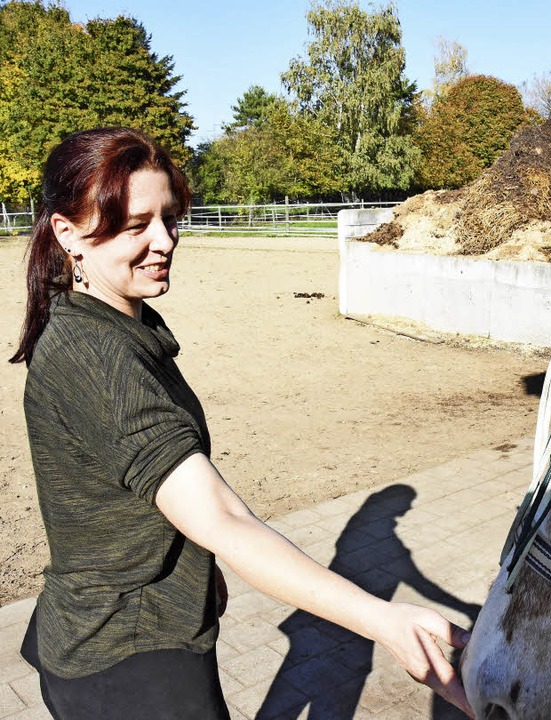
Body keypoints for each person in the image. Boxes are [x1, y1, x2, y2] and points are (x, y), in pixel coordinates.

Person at [10, 127, 474, 719]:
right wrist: (384, 619)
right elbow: (222, 516)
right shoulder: (94, 354)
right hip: (132, 662)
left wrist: (196, 574)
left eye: (170, 217)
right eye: (135, 226)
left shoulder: (109, 324)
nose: (164, 241)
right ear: (68, 234)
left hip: (124, 632)